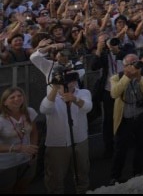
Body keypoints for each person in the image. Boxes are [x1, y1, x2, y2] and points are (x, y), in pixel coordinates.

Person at [39, 60, 92, 194]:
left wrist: (74, 99)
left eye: (72, 78)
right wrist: (55, 88)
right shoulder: (51, 97)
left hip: (80, 140)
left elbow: (87, 107)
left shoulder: (83, 92)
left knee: (82, 173)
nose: (70, 82)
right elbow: (44, 109)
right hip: (57, 144)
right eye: (66, 78)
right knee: (55, 178)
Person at [108, 54, 143, 185]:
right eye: (130, 64)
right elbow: (114, 93)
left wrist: (139, 77)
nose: (134, 66)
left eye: (136, 63)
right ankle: (115, 176)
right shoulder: (116, 77)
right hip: (124, 119)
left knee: (141, 146)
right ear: (124, 66)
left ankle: (138, 173)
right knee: (120, 149)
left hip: (141, 117)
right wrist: (127, 77)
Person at [0, 87, 39, 193]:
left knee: (23, 187)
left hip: (26, 159)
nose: (17, 99)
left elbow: (34, 132)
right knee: (6, 189)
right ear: (5, 103)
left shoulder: (29, 112)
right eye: (12, 97)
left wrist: (33, 150)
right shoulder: (1, 120)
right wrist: (17, 148)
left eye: (19, 96)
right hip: (7, 164)